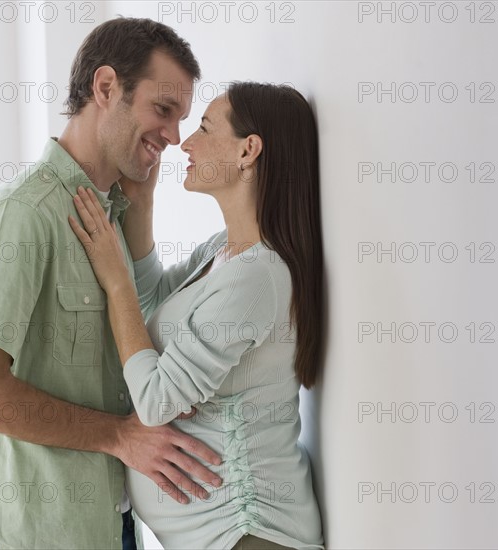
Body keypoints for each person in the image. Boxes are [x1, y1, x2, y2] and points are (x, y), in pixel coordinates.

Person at [0, 17, 224, 550]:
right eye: (164, 111)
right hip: (26, 535)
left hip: (105, 526)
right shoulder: (23, 215)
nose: (174, 136)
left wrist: (141, 201)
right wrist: (121, 435)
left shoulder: (111, 216)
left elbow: (142, 326)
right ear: (105, 88)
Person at [69, 82, 325, 549]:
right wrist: (142, 202)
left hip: (249, 533)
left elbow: (155, 399)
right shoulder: (224, 252)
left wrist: (115, 280)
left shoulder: (258, 277)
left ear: (249, 150)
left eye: (205, 128)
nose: (186, 143)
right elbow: (154, 301)